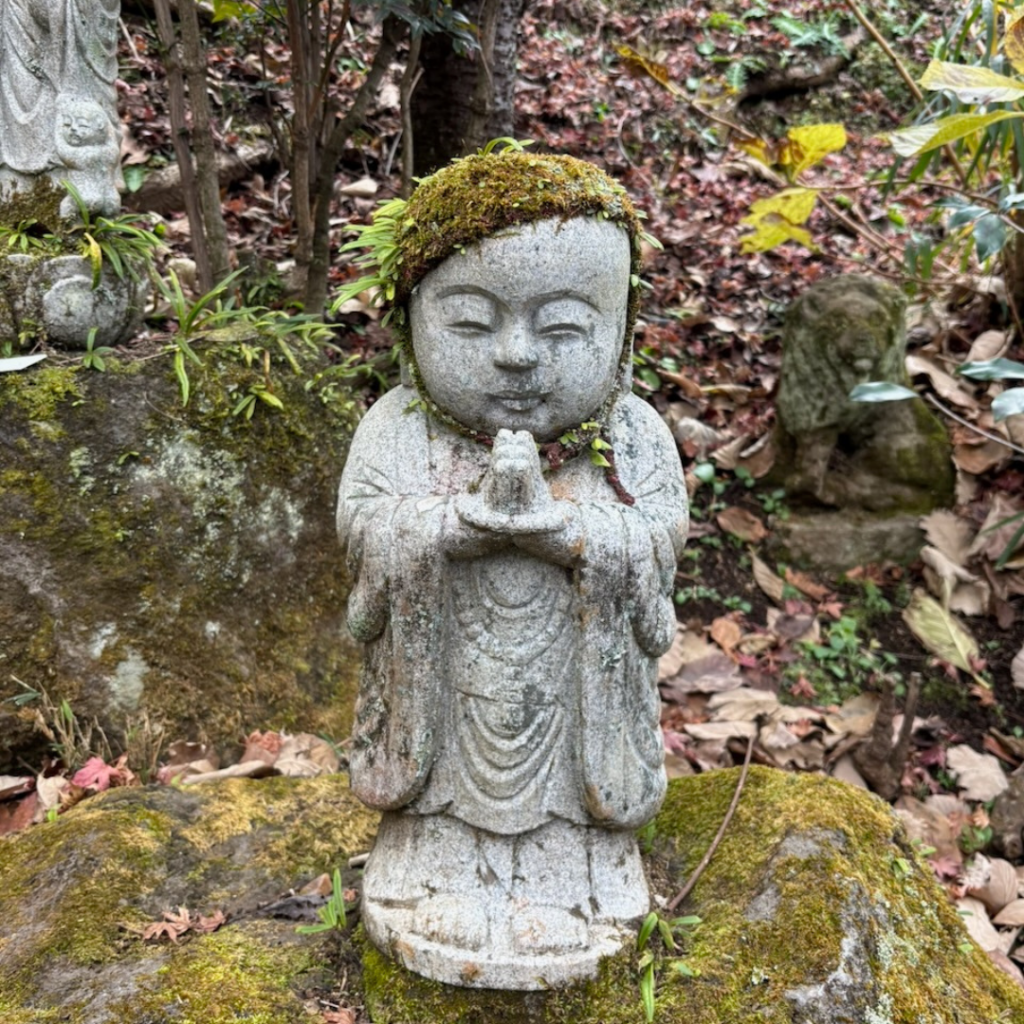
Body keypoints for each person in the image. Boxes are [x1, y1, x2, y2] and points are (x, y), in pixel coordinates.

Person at [337, 149, 688, 988]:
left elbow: (660, 535)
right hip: (441, 712)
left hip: (581, 726)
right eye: (469, 324)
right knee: (443, 804)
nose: (517, 354)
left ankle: (583, 863)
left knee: (576, 806)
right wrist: (447, 527)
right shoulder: (397, 429)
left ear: (621, 332)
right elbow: (362, 526)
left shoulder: (632, 437)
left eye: (564, 327)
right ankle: (435, 854)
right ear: (412, 324)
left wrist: (570, 535)